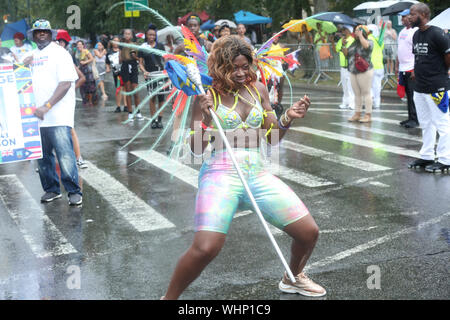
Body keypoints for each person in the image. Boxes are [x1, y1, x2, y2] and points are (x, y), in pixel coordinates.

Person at [162, 35, 326, 300]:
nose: (240, 73)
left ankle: (293, 277)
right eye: (233, 67)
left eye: (244, 66)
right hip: (220, 174)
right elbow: (195, 150)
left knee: (308, 233)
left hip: (256, 173)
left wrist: (288, 117)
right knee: (206, 248)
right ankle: (169, 298)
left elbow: (272, 137)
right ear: (219, 67)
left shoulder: (258, 89)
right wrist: (204, 119)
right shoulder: (205, 96)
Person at [26, 19, 82, 206]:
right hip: (36, 117)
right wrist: (21, 66)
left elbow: (66, 83)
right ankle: (51, 189)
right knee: (43, 158)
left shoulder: (60, 53)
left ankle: (74, 191)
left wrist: (47, 106)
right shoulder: (31, 55)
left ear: (51, 34)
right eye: (38, 31)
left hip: (58, 115)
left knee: (65, 155)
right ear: (33, 35)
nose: (41, 34)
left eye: (45, 31)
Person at [408, 3, 450, 172]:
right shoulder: (416, 34)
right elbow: (419, 57)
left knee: (442, 123)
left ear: (423, 14)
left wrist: (441, 72)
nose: (409, 17)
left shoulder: (438, 34)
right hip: (420, 88)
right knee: (426, 123)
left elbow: (448, 56)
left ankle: (446, 159)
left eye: (412, 14)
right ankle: (426, 156)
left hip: (437, 87)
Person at [56, 29, 88, 170]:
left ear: (63, 43)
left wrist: (69, 90)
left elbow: (82, 78)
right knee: (50, 131)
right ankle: (50, 160)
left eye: (57, 41)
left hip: (64, 101)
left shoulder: (66, 57)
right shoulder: (50, 57)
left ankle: (78, 158)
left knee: (69, 129)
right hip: (51, 100)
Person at [343, 25, 374, 123]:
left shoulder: (369, 41)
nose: (355, 33)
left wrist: (360, 36)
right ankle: (357, 113)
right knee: (357, 94)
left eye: (357, 31)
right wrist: (344, 45)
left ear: (362, 32)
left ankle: (368, 115)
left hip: (365, 70)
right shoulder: (354, 43)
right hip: (353, 70)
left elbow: (366, 47)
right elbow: (347, 54)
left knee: (366, 92)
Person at [138, 24, 166, 129]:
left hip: (160, 74)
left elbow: (165, 59)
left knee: (161, 97)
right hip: (150, 75)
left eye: (153, 35)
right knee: (152, 96)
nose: (151, 37)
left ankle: (160, 119)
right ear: (146, 35)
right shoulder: (143, 47)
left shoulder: (160, 46)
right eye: (149, 35)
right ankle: (153, 120)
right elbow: (140, 63)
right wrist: (144, 71)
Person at [396, 9, 419, 128]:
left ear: (410, 17)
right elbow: (400, 49)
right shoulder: (402, 32)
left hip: (411, 68)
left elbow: (417, 52)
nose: (402, 19)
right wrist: (397, 65)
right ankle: (410, 117)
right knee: (407, 95)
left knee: (412, 95)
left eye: (404, 17)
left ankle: (415, 119)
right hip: (403, 68)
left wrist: (415, 69)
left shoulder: (415, 31)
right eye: (402, 17)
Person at [120, 28, 143, 121]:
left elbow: (139, 59)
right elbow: (120, 59)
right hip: (125, 67)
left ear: (132, 35)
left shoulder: (136, 45)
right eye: (125, 34)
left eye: (129, 34)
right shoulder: (121, 46)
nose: (127, 35)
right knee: (128, 90)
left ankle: (138, 112)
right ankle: (130, 112)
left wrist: (135, 57)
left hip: (133, 66)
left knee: (135, 91)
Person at [334, 25, 355, 109]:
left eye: (344, 30)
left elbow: (347, 53)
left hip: (350, 66)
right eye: (342, 30)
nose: (342, 31)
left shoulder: (352, 40)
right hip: (343, 66)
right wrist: (339, 43)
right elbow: (337, 49)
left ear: (349, 31)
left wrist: (343, 45)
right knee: (344, 86)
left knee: (351, 86)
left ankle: (352, 104)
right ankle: (345, 102)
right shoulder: (341, 40)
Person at [106, 36, 126, 113]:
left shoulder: (122, 50)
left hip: (124, 72)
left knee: (125, 88)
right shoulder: (109, 52)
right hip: (116, 73)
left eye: (117, 41)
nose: (116, 43)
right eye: (114, 41)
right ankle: (118, 106)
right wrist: (107, 68)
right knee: (118, 89)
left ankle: (126, 105)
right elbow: (107, 63)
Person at [367, 24, 385, 110]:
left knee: (369, 85)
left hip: (370, 65)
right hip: (379, 66)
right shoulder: (379, 40)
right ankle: (377, 102)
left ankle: (372, 100)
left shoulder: (369, 39)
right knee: (377, 85)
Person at [75, 40, 97, 106]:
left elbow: (91, 58)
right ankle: (85, 101)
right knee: (82, 86)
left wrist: (85, 62)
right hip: (81, 70)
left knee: (89, 86)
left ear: (83, 45)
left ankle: (90, 101)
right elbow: (79, 61)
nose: (79, 46)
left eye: (80, 44)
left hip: (87, 70)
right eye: (77, 45)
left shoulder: (85, 51)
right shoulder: (77, 52)